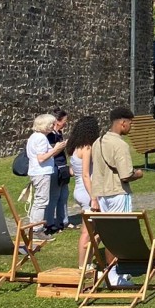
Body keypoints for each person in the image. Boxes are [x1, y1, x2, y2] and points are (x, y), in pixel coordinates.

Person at [90, 106, 144, 214]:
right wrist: (138, 174)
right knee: (122, 228)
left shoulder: (97, 142)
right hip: (118, 193)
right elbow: (125, 176)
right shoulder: (120, 144)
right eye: (130, 123)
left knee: (108, 228)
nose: (131, 126)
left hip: (101, 194)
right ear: (123, 123)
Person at [66, 115, 100, 269]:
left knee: (91, 230)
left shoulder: (75, 148)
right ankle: (83, 265)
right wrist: (94, 197)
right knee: (87, 232)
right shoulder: (87, 147)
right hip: (87, 192)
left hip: (79, 189)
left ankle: (88, 263)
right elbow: (86, 174)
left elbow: (73, 171)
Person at [46, 110, 72, 233]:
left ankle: (63, 221)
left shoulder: (59, 133)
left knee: (64, 195)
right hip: (55, 167)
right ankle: (50, 223)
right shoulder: (50, 135)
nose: (65, 124)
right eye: (64, 121)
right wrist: (61, 146)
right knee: (54, 196)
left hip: (63, 167)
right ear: (57, 121)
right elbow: (50, 154)